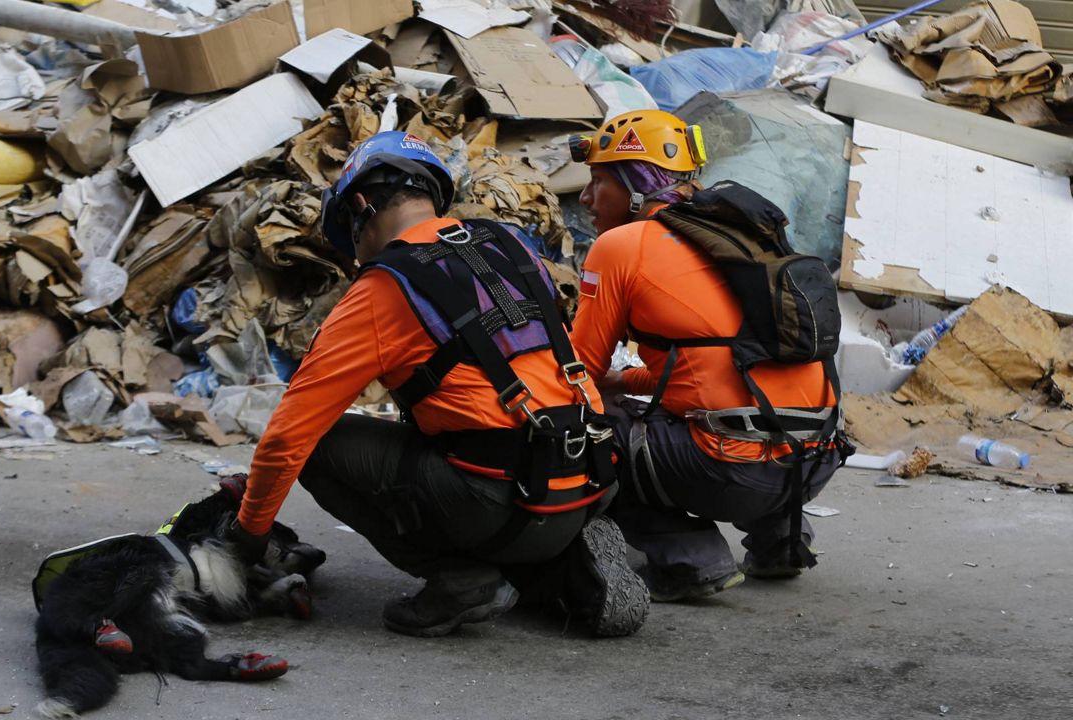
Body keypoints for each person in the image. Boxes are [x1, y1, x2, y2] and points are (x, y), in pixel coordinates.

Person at [222, 131, 648, 637]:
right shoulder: (507, 245)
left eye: (351, 233)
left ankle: (461, 579)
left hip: (501, 499)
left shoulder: (382, 287)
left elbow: (289, 436)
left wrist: (249, 536)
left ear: (360, 204)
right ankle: (567, 561)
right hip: (588, 476)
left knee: (321, 447)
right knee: (450, 422)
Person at [567, 110, 846, 602]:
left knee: (584, 427)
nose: (586, 199)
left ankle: (690, 558)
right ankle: (780, 541)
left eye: (598, 181)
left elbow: (575, 372)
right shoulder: (737, 233)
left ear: (636, 188)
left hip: (731, 469)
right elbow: (720, 364)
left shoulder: (620, 245)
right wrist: (626, 382)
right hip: (813, 457)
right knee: (738, 413)